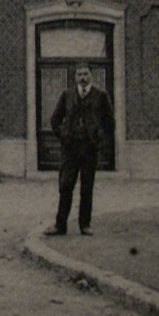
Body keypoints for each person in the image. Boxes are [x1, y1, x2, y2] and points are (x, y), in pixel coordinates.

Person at [44, 63, 113, 236]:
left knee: (87, 187)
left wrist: (99, 139)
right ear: (75, 77)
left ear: (91, 75)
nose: (82, 77)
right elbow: (55, 120)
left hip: (89, 149)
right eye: (79, 74)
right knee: (66, 186)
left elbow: (110, 122)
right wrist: (64, 136)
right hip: (70, 149)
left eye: (85, 74)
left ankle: (85, 225)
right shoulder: (67, 95)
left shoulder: (101, 95)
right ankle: (60, 225)